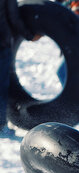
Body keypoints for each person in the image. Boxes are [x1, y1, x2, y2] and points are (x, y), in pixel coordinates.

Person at [1, 0, 34, 137]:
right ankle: (1, 126)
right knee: (1, 86)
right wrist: (30, 35)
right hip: (1, 44)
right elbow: (14, 18)